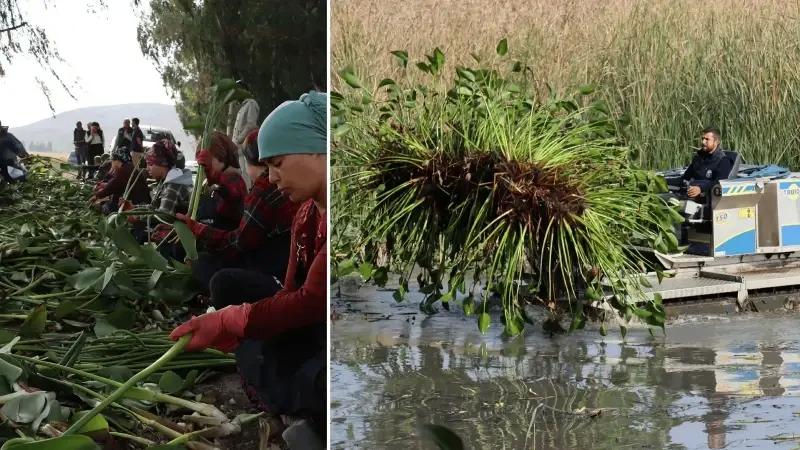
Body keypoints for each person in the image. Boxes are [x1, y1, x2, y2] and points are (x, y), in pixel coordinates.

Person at [170, 91, 327, 449]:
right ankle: (301, 413)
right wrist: (248, 322)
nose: (271, 176)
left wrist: (232, 319)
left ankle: (307, 414)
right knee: (255, 347)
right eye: (267, 165)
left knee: (314, 377)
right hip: (315, 325)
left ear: (318, 149)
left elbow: (312, 299)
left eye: (279, 163)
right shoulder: (306, 213)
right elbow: (292, 297)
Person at [175, 130, 299, 306]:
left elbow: (239, 239)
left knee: (219, 280)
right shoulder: (219, 183)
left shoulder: (259, 185)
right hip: (258, 259)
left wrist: (197, 230)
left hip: (272, 274)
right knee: (202, 261)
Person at [122, 139, 193, 245]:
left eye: (150, 164)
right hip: (170, 230)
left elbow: (163, 215)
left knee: (135, 235)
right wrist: (135, 209)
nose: (147, 168)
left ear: (162, 164)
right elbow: (153, 207)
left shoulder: (174, 184)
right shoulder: (166, 180)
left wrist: (137, 217)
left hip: (176, 238)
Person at [194, 131, 247, 231]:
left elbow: (232, 194)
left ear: (222, 157)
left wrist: (216, 178)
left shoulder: (235, 181)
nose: (203, 166)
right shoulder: (208, 184)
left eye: (209, 158)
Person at [90, 147, 150, 215]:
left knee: (107, 206)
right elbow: (114, 184)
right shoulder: (127, 167)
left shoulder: (124, 170)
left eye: (112, 161)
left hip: (138, 204)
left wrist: (97, 196)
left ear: (117, 161)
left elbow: (113, 185)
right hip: (138, 200)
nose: (111, 163)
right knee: (111, 201)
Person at [682, 127, 732, 200]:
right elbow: (685, 177)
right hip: (689, 194)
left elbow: (719, 183)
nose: (703, 142)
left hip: (707, 199)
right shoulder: (698, 157)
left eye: (707, 139)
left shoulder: (723, 160)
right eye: (703, 139)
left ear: (716, 141)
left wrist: (700, 188)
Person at [231, 90, 260, 188]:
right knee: (244, 174)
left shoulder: (251, 104)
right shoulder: (243, 107)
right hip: (240, 148)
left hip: (246, 145)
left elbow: (251, 124)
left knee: (248, 174)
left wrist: (238, 139)